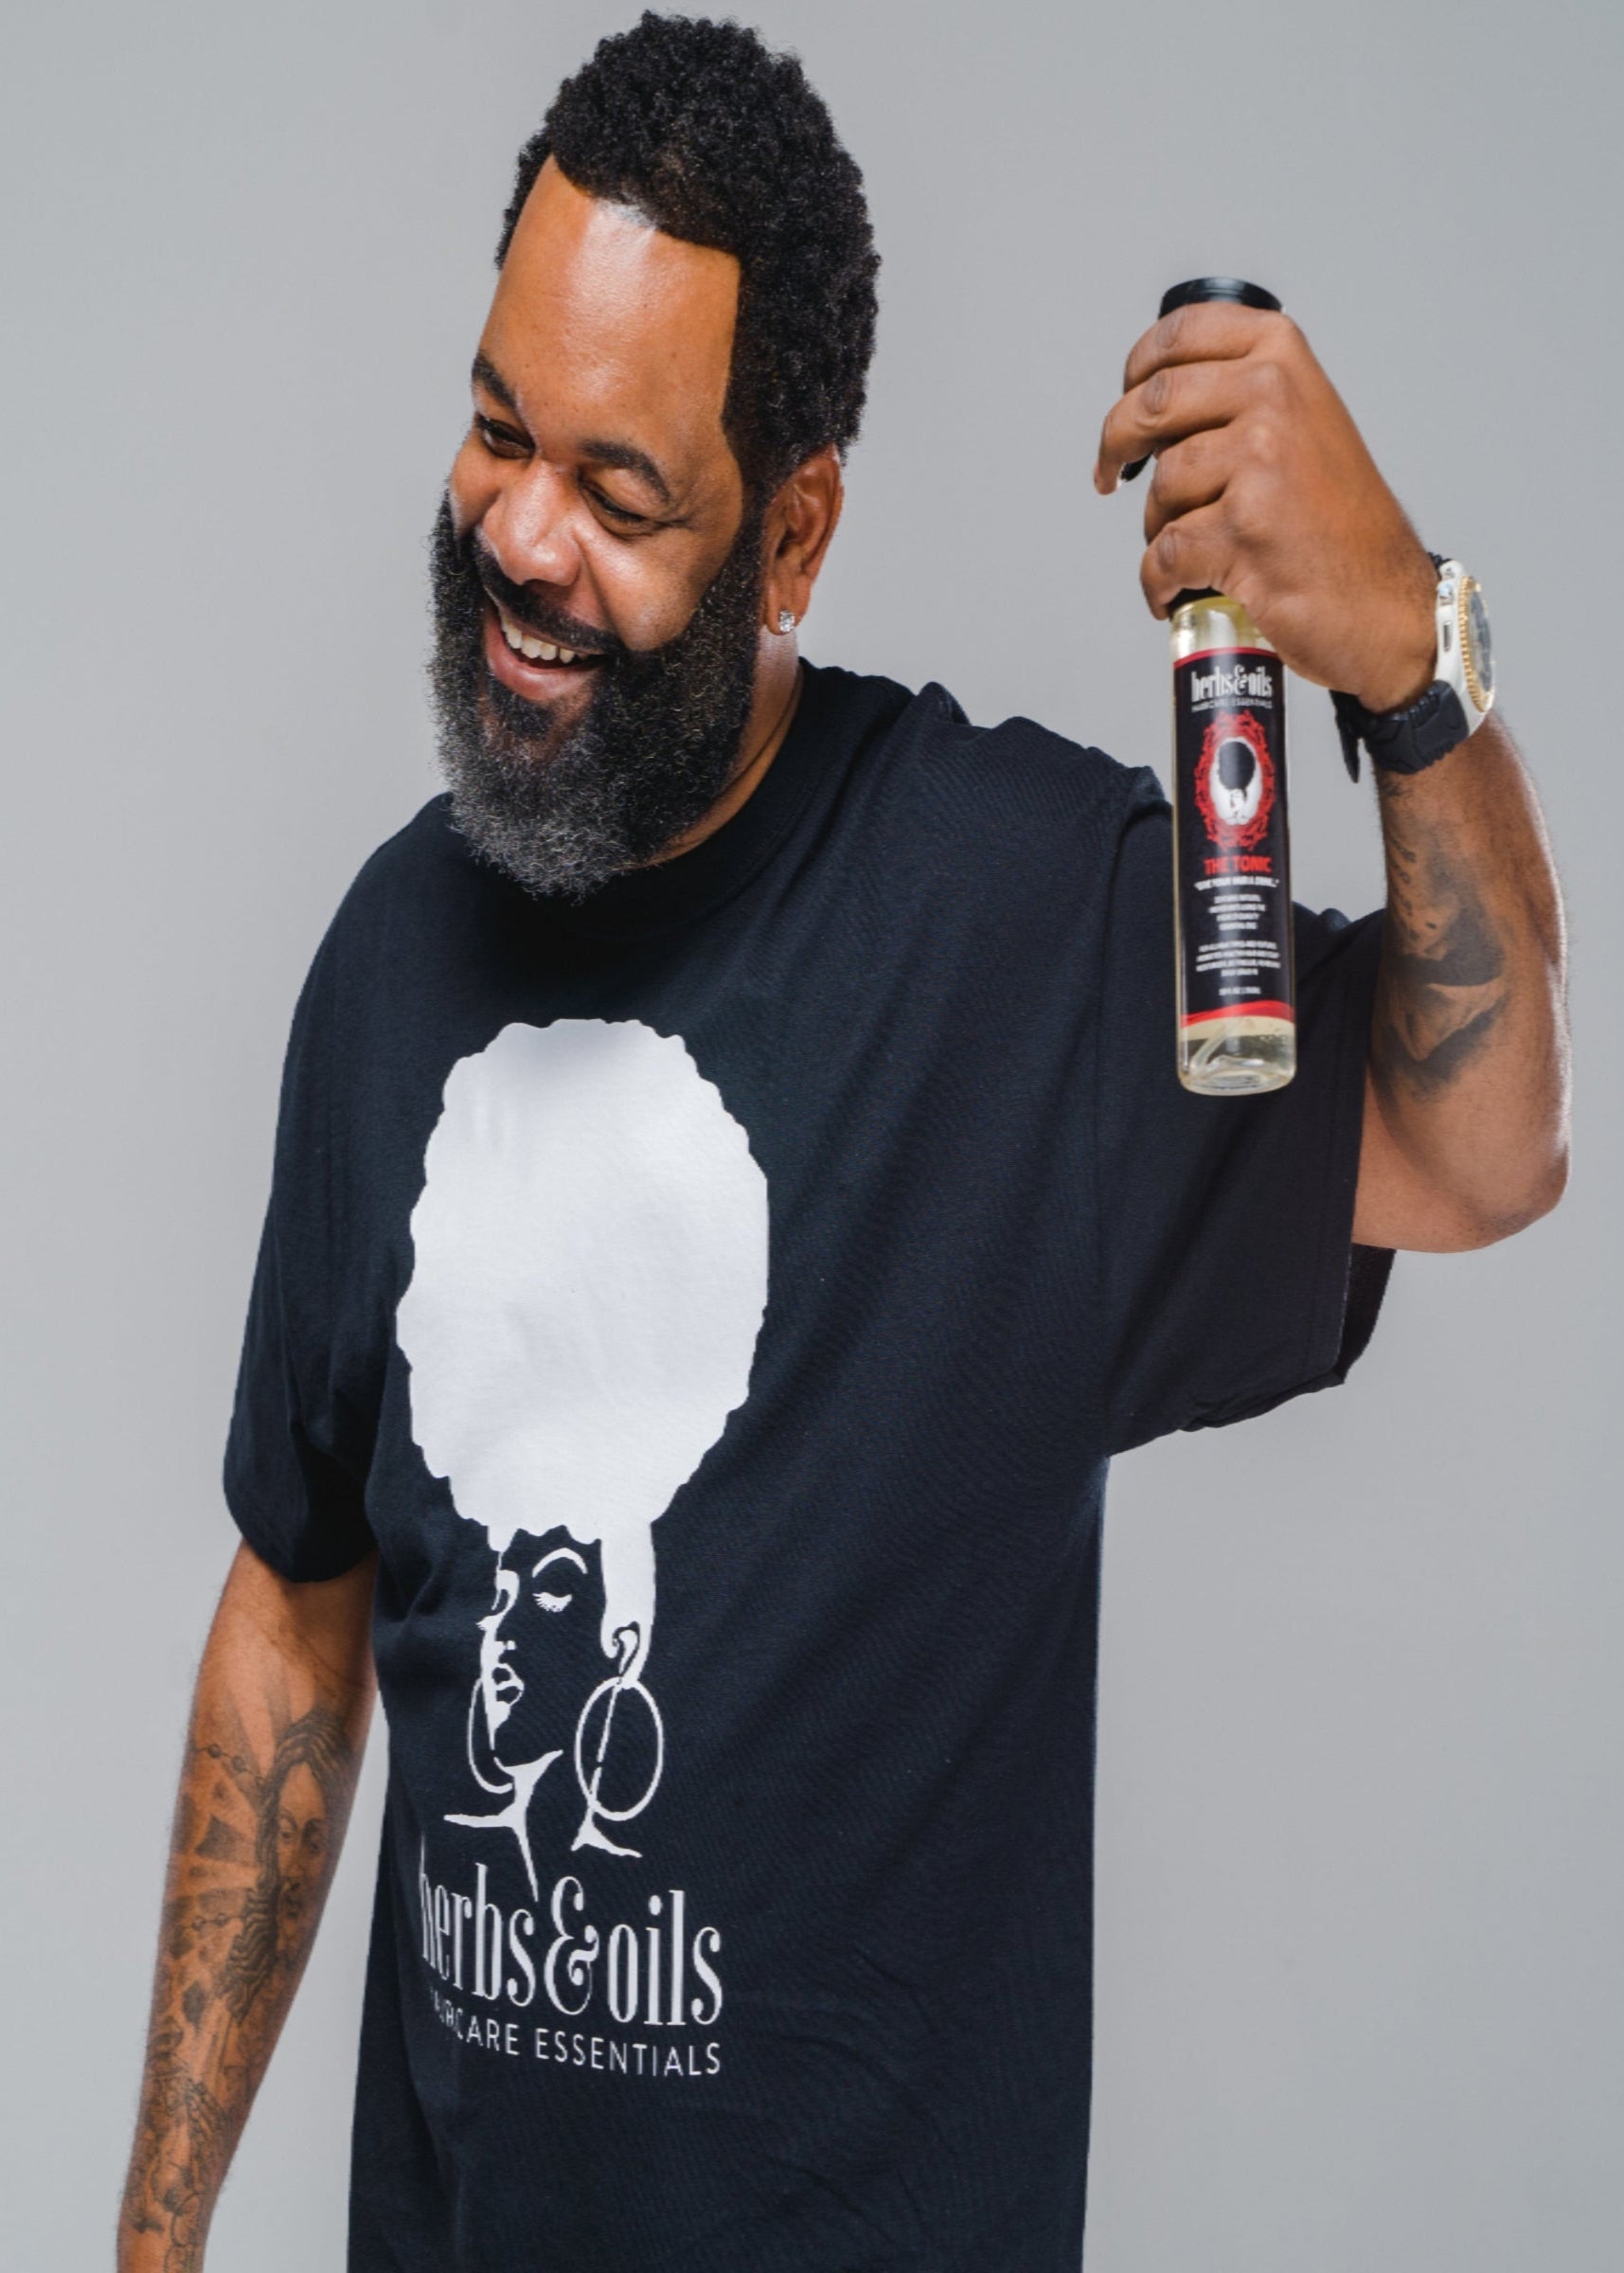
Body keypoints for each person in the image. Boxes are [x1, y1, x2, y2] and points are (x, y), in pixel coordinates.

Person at [116, 13, 1569, 2271]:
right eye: (499, 430)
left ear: (794, 532)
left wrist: (1408, 665)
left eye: (620, 494)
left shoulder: (1024, 930)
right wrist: (154, 2238)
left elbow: (1483, 1148)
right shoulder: (392, 956)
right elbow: (295, 1611)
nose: (519, 536)